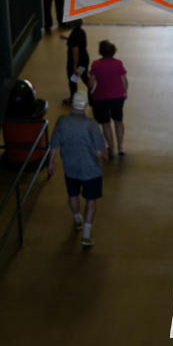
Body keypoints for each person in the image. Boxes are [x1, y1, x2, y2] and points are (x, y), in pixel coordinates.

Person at [48, 91, 106, 247]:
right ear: (85, 106)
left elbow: (54, 144)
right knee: (91, 200)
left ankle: (76, 219)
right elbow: (100, 149)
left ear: (72, 104)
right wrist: (104, 155)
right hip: (91, 169)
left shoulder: (62, 121)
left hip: (70, 168)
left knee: (72, 194)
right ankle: (86, 235)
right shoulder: (91, 124)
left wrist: (51, 162)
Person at [89, 40, 128, 158]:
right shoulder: (118, 63)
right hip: (117, 97)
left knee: (106, 123)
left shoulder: (95, 64)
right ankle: (121, 147)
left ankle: (111, 148)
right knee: (118, 121)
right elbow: (124, 81)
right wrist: (124, 92)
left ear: (101, 52)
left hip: (100, 98)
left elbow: (91, 83)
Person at [62, 19, 90, 105]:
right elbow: (78, 42)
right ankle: (94, 92)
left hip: (78, 62)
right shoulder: (81, 31)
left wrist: (75, 65)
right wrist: (67, 38)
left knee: (72, 79)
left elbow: (75, 49)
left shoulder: (74, 34)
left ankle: (72, 98)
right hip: (84, 59)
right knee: (84, 77)